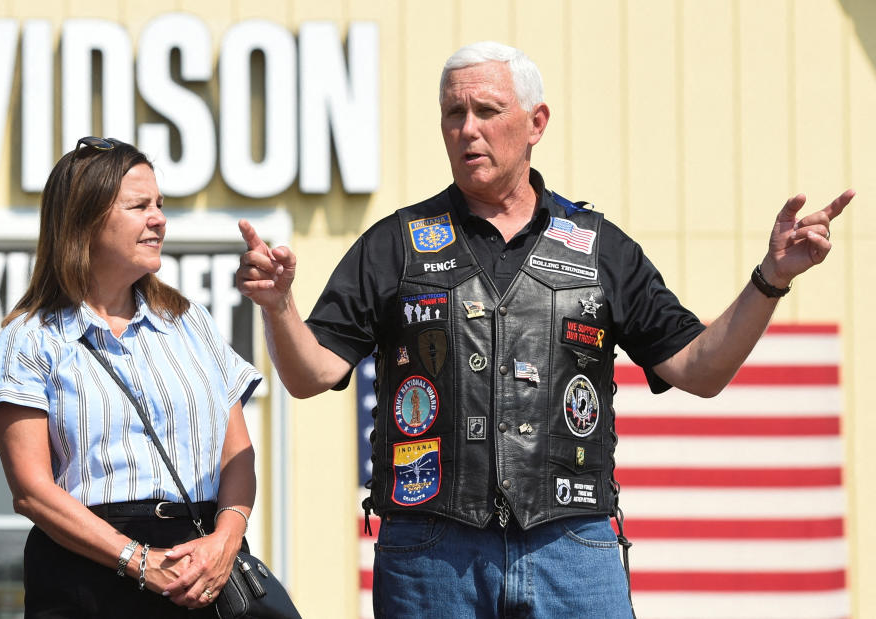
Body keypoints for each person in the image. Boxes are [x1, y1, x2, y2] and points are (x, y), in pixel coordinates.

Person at [237, 40, 855, 617]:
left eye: (487, 109)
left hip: (573, 548)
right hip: (430, 554)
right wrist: (278, 305)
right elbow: (311, 374)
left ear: (536, 123)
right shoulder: (394, 245)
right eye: (453, 113)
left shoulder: (600, 249)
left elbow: (700, 369)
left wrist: (770, 279)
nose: (467, 128)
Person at [0, 137, 262, 618]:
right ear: (85, 219)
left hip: (200, 569)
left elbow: (237, 453)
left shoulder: (191, 323)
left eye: (160, 205)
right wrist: (140, 561)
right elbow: (31, 491)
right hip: (86, 575)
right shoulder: (30, 339)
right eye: (139, 205)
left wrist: (227, 540)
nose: (159, 218)